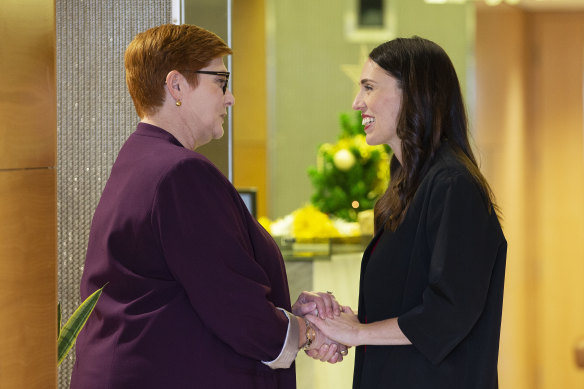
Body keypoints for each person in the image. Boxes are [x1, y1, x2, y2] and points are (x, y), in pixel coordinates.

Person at [70, 24, 346, 389]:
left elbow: (195, 294)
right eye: (220, 80)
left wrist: (287, 317)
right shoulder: (180, 173)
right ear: (177, 86)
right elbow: (235, 308)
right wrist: (309, 332)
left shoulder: (140, 158)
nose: (230, 97)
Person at [306, 37, 507, 388]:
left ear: (414, 94)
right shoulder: (405, 186)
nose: (357, 103)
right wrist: (348, 325)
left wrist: (360, 333)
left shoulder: (452, 185)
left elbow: (449, 312)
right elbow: (407, 304)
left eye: (369, 87)